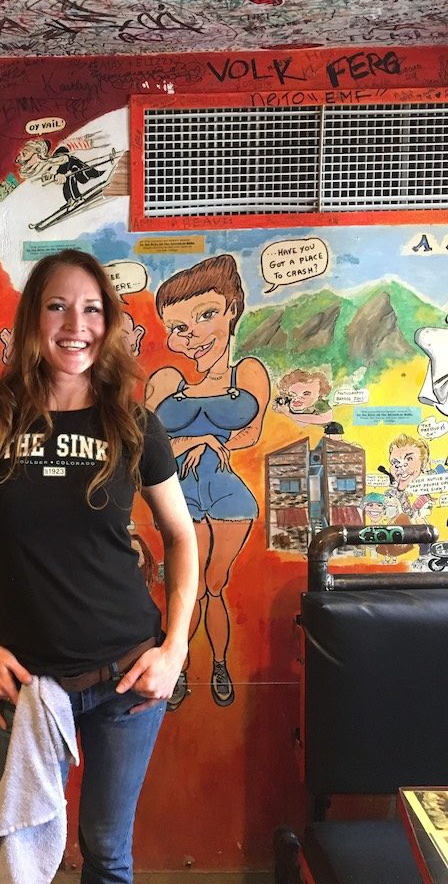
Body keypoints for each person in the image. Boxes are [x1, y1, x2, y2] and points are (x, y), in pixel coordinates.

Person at [0, 249, 197, 884]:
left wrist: (175, 646)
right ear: (33, 319)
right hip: (25, 683)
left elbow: (181, 538)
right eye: (58, 306)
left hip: (127, 678)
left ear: (110, 321)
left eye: (93, 309)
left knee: (106, 856)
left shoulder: (133, 423)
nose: (77, 324)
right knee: (16, 863)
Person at [146, 255, 270, 707]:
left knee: (216, 583)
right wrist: (190, 442)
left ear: (232, 310)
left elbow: (250, 431)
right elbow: (146, 441)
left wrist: (216, 443)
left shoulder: (248, 373)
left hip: (228, 492)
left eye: (205, 315)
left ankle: (218, 663)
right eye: (178, 327)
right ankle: (179, 667)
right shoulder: (166, 379)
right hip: (180, 496)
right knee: (190, 586)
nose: (192, 333)